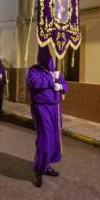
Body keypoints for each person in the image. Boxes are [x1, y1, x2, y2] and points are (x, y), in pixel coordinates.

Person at [27, 45, 67, 187]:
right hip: (41, 108)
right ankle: (39, 169)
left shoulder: (55, 71)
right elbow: (35, 82)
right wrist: (51, 80)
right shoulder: (33, 70)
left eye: (50, 59)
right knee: (45, 138)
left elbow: (64, 84)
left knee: (54, 139)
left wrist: (61, 86)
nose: (48, 61)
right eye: (46, 58)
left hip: (55, 108)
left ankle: (47, 165)